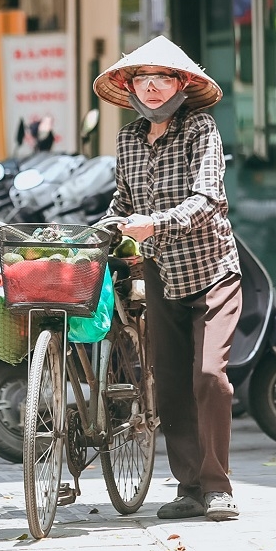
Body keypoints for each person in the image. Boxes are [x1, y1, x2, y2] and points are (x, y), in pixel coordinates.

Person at [93, 35, 242, 522]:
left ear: (182, 84)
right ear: (130, 86)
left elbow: (207, 199)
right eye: (143, 79)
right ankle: (189, 487)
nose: (152, 88)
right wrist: (103, 227)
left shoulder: (202, 129)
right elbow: (123, 202)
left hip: (212, 270)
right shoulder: (128, 138)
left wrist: (154, 224)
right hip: (159, 273)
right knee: (172, 382)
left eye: (163, 79)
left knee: (209, 377)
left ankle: (218, 487)